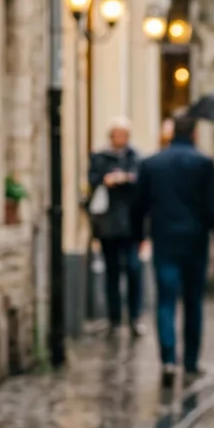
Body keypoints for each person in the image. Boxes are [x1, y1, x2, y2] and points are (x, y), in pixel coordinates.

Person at [133, 112, 214, 385]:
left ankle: (167, 359)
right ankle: (190, 360)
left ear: (172, 132)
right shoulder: (203, 163)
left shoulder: (153, 164)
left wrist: (139, 235)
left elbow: (138, 205)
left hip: (164, 239)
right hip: (195, 240)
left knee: (165, 299)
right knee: (192, 301)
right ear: (194, 133)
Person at [87, 117, 143, 335]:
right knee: (112, 272)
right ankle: (114, 318)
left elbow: (141, 183)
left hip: (131, 224)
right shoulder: (101, 157)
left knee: (133, 269)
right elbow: (93, 181)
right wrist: (106, 180)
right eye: (117, 134)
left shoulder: (135, 157)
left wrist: (126, 179)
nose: (120, 138)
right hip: (108, 225)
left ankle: (134, 316)